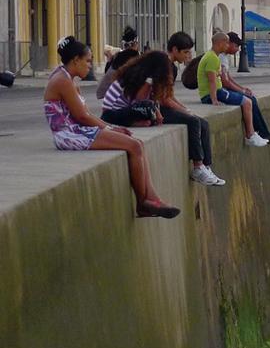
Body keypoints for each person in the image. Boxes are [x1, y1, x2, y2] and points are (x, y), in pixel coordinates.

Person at [44, 37, 180, 218]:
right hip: (69, 135)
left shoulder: (67, 78)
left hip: (77, 131)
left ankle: (151, 199)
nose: (90, 66)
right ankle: (143, 203)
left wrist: (109, 128)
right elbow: (82, 116)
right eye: (88, 61)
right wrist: (110, 129)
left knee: (137, 143)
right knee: (134, 145)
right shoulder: (63, 81)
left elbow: (85, 114)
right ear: (76, 60)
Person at [161, 32, 224, 186]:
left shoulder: (172, 67)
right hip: (157, 109)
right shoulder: (164, 66)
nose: (188, 56)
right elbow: (163, 99)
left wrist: (184, 108)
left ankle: (206, 166)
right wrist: (184, 111)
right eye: (185, 52)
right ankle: (197, 167)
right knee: (193, 122)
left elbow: (170, 95)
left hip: (164, 105)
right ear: (174, 50)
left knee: (204, 123)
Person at [198, 32, 268, 147]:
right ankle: (250, 135)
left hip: (216, 92)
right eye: (226, 43)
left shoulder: (212, 56)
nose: (227, 46)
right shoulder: (212, 58)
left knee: (247, 100)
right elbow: (212, 81)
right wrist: (214, 99)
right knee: (247, 102)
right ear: (220, 43)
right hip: (214, 93)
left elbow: (219, 78)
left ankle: (254, 133)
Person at [223, 33, 270, 143]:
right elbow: (225, 82)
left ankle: (263, 132)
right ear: (228, 43)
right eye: (236, 46)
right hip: (222, 91)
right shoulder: (220, 58)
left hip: (224, 89)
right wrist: (242, 91)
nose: (237, 49)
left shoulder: (224, 57)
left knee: (252, 98)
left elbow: (229, 79)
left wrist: (243, 89)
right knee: (250, 100)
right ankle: (261, 132)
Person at [101, 51, 171, 128]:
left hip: (122, 111)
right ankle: (132, 123)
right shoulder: (139, 78)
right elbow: (140, 100)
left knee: (155, 109)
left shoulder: (140, 75)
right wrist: (157, 113)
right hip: (111, 113)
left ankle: (136, 122)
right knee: (148, 109)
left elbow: (151, 100)